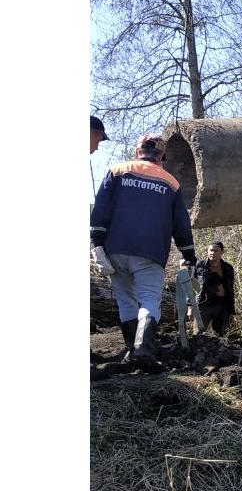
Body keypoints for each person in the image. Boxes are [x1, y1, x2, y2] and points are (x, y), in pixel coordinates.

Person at [90, 134, 197, 366]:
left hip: (114, 249)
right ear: (162, 156)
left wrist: (96, 242)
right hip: (150, 252)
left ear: (137, 151)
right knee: (149, 300)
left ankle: (132, 349)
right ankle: (143, 350)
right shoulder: (171, 182)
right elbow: (181, 223)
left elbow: (100, 209)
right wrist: (188, 253)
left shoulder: (117, 171)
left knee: (126, 300)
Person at [193, 241, 236, 336]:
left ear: (222, 252)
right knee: (197, 334)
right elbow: (192, 286)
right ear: (207, 251)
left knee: (219, 335)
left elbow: (230, 289)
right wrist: (189, 306)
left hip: (222, 305)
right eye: (211, 250)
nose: (213, 253)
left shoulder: (228, 268)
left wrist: (232, 311)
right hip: (203, 304)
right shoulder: (200, 265)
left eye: (216, 250)